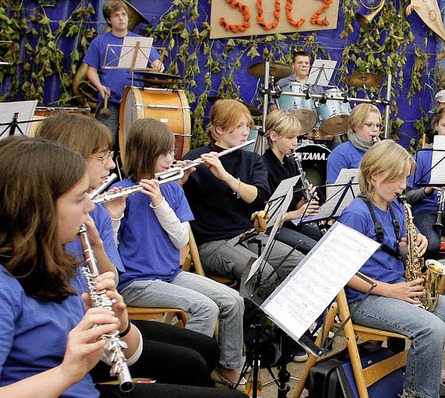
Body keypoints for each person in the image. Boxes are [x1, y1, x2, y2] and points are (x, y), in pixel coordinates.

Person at [0, 136, 246, 398]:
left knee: (204, 366)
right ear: (36, 208)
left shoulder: (55, 262)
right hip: (69, 386)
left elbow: (125, 354)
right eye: (78, 198)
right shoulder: (7, 288)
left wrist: (124, 326)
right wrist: (66, 372)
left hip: (81, 386)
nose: (91, 205)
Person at [339, 140, 445, 398]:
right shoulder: (356, 213)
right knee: (432, 329)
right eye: (398, 179)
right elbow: (342, 272)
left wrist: (413, 245)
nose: (404, 186)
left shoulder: (395, 206)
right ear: (374, 175)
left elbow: (397, 248)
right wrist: (392, 291)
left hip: (399, 288)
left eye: (406, 178)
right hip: (366, 298)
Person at [113, 118, 246, 389]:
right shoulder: (122, 191)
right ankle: (185, 378)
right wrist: (115, 214)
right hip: (135, 282)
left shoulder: (172, 188)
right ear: (144, 153)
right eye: (163, 153)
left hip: (170, 274)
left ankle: (227, 368)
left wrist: (159, 202)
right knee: (204, 308)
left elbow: (181, 238)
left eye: (171, 152)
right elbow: (110, 245)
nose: (169, 159)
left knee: (234, 300)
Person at [182, 99, 304, 295]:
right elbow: (177, 205)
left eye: (248, 125)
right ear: (220, 129)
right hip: (212, 243)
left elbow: (259, 199)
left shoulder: (252, 160)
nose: (246, 132)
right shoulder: (196, 158)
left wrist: (226, 177)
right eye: (239, 126)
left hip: (247, 236)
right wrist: (181, 180)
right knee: (262, 274)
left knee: (299, 264)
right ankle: (245, 323)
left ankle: (270, 322)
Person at [83, 0, 164, 145]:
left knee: (135, 144)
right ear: (109, 19)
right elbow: (91, 70)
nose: (121, 18)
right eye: (116, 16)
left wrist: (158, 66)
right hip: (110, 101)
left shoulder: (140, 41)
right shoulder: (99, 42)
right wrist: (99, 87)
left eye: (124, 14)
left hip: (136, 101)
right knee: (105, 141)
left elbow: (156, 63)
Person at [261, 109, 322, 253]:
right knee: (312, 249)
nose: (295, 143)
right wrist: (297, 213)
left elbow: (294, 204)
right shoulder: (262, 166)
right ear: (273, 136)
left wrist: (306, 201)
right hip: (270, 227)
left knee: (324, 239)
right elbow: (265, 215)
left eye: (297, 137)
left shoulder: (291, 163)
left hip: (289, 222)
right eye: (290, 138)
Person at [409, 107, 445, 259]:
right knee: (432, 244)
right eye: (444, 126)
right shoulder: (423, 156)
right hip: (425, 209)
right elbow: (406, 195)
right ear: (436, 126)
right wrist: (426, 190)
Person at [325, 103, 381, 185]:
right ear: (356, 126)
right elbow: (332, 193)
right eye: (369, 125)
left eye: (378, 125)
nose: (375, 129)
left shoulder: (385, 151)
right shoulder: (340, 153)